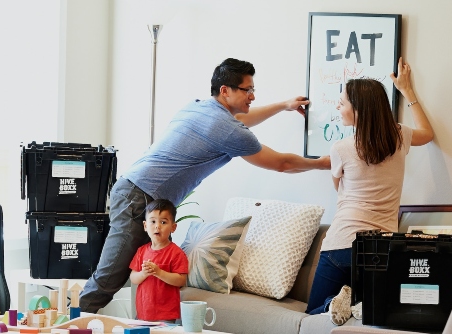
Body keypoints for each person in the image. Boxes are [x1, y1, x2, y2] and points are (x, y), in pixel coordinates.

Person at [80, 57, 331, 312]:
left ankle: (73, 319)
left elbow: (242, 119)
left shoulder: (199, 107)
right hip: (140, 198)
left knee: (112, 274)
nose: (252, 96)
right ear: (225, 91)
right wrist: (323, 163)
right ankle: (68, 324)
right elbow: (281, 163)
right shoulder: (227, 129)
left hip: (132, 190)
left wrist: (283, 105)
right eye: (248, 90)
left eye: (253, 90)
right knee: (110, 277)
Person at [305, 57, 435, 325]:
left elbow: (339, 189)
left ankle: (338, 303)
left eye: (343, 102)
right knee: (373, 315)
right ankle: (357, 304)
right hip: (381, 248)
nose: (338, 107)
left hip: (340, 244)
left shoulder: (341, 148)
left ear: (359, 109)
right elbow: (428, 133)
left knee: (314, 312)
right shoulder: (399, 136)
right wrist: (407, 91)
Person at [129, 199, 188, 322]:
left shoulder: (176, 253)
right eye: (153, 221)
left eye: (163, 222)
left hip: (166, 314)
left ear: (173, 227)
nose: (157, 226)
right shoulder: (141, 251)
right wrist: (144, 273)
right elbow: (133, 278)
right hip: (143, 312)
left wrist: (159, 272)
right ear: (145, 226)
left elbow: (181, 280)